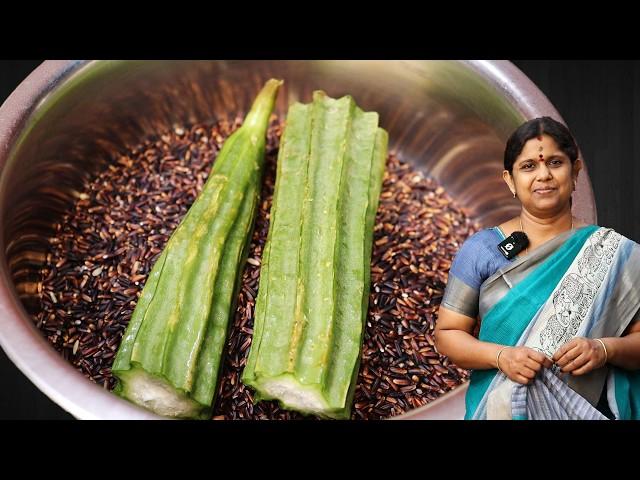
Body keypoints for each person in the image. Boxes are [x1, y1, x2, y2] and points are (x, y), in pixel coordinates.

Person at [434, 116, 640, 420]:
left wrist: (602, 349)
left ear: (575, 173)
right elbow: (448, 334)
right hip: (495, 409)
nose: (543, 175)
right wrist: (502, 356)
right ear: (510, 180)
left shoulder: (614, 254)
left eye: (555, 163)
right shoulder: (482, 251)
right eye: (529, 166)